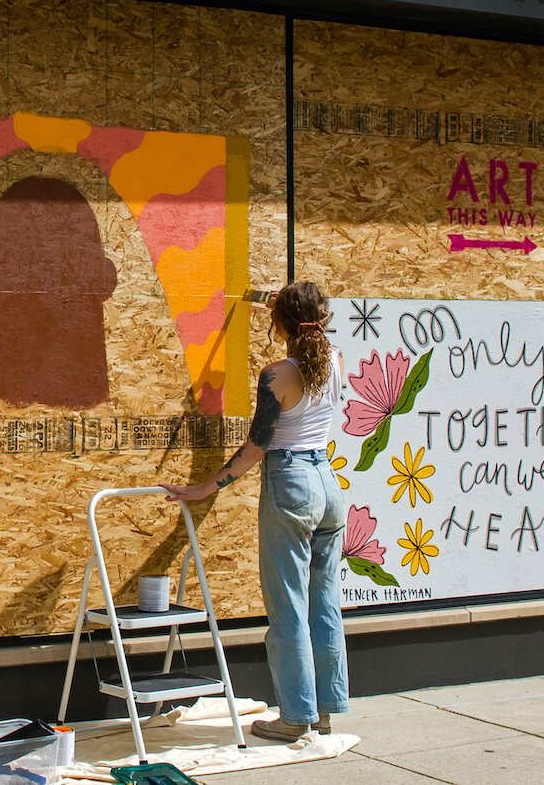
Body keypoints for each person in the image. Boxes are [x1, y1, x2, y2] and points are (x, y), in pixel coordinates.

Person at [160, 280, 348, 743]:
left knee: (288, 607)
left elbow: (257, 446)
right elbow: (303, 319)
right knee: (324, 604)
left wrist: (207, 486)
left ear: (280, 324)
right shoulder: (336, 361)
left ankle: (293, 718)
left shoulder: (276, 375)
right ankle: (324, 711)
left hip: (291, 484)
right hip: (327, 483)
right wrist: (268, 300)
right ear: (322, 319)